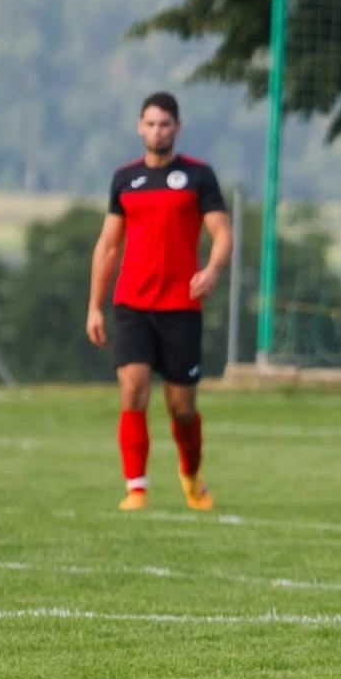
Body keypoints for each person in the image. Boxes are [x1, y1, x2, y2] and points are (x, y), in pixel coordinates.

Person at [87, 91, 231, 511]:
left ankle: (191, 475)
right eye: (150, 124)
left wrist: (212, 269)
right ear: (139, 127)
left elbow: (222, 232)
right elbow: (108, 245)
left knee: (181, 408)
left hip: (181, 307)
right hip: (132, 304)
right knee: (132, 388)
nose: (157, 131)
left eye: (164, 124)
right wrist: (95, 305)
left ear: (177, 128)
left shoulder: (198, 177)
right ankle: (136, 488)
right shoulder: (124, 179)